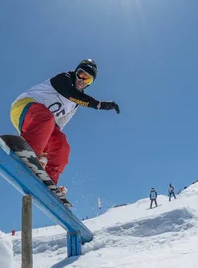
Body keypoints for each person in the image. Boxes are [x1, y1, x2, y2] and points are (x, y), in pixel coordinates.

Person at [10, 59, 120, 190]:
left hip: (42, 125)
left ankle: (50, 181)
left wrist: (46, 152)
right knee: (47, 117)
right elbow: (71, 94)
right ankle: (28, 154)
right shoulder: (64, 79)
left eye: (87, 79)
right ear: (75, 72)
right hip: (23, 108)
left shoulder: (75, 104)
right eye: (81, 74)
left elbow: (58, 126)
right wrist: (99, 105)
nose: (82, 80)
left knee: (62, 145)